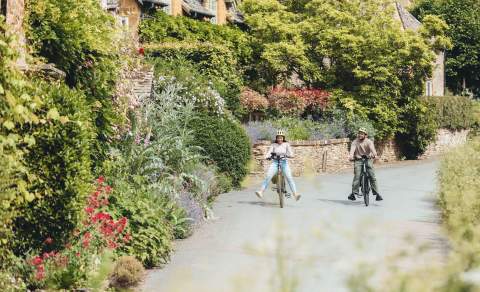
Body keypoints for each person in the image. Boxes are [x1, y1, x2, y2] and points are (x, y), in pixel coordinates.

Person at [255, 130, 301, 201]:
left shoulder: (286, 144)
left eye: (281, 137)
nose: (280, 139)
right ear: (276, 138)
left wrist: (290, 155)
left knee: (289, 178)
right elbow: (269, 152)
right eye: (278, 138)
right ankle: (261, 192)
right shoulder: (273, 145)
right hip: (275, 162)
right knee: (268, 176)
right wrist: (267, 156)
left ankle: (295, 195)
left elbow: (291, 153)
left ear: (283, 138)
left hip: (284, 162)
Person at [348, 128, 383, 201]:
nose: (360, 135)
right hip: (358, 159)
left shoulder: (369, 142)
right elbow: (352, 150)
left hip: (368, 159)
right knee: (357, 175)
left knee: (372, 175)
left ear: (365, 135)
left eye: (362, 134)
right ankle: (353, 193)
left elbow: (372, 149)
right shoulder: (355, 142)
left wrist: (375, 155)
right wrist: (351, 156)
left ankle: (377, 194)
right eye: (359, 133)